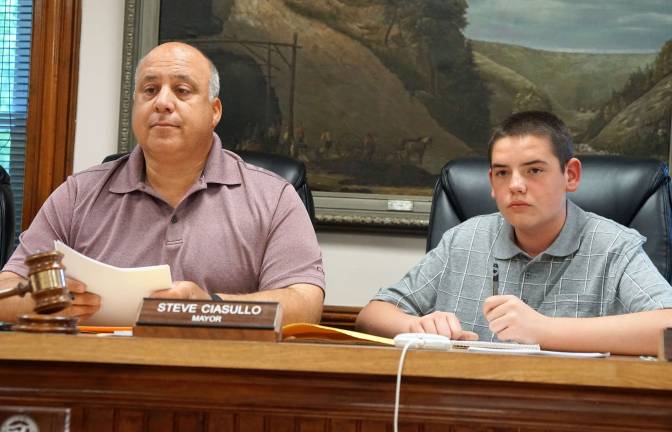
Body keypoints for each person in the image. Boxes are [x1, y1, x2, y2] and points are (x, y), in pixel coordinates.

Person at [0, 42, 325, 324]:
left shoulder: (274, 197)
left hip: (223, 380)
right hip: (101, 379)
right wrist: (47, 302)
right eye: (150, 90)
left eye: (182, 91)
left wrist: (211, 309)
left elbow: (305, 302)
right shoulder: (79, 194)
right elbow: (6, 289)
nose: (162, 103)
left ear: (214, 111)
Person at [356, 111, 672, 355]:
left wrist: (544, 330)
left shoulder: (614, 246)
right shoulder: (463, 239)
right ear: (492, 183)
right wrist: (418, 326)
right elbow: (374, 314)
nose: (516, 185)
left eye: (534, 170)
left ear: (571, 175)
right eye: (503, 173)